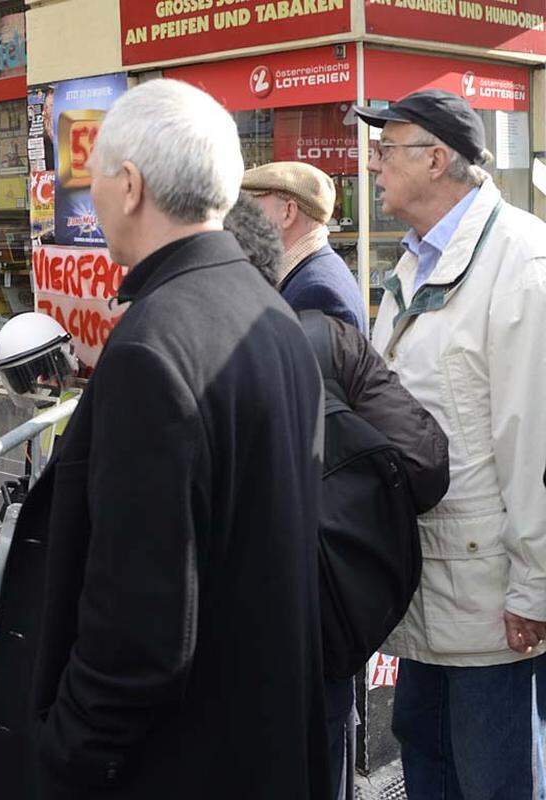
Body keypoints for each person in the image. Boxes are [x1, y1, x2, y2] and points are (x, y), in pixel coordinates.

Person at [0, 80, 329, 799]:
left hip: (175, 764)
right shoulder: (272, 314)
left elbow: (139, 627)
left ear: (129, 186)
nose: (92, 196)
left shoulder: (152, 348)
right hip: (258, 743)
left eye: (94, 176)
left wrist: (63, 754)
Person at [353, 89, 546, 799]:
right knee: (429, 760)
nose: (372, 164)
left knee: (496, 778)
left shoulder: (520, 261)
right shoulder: (415, 261)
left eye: (386, 149)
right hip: (430, 584)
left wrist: (536, 586)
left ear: (435, 160)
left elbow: (534, 440)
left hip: (495, 599)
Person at [228, 194, 451, 800]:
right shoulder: (322, 335)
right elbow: (424, 464)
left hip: (224, 641)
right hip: (320, 612)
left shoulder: (177, 347)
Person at [241, 161, 368, 333]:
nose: (241, 219)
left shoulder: (317, 294)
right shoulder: (310, 273)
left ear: (288, 212)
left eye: (250, 208)